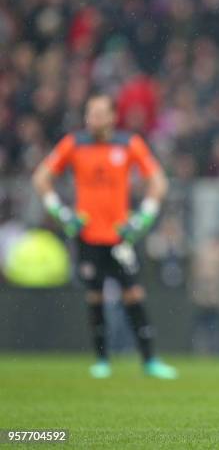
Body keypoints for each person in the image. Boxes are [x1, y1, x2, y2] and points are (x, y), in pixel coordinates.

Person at [32, 94, 177, 380]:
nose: (92, 119)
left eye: (98, 113)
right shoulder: (74, 144)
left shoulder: (128, 144)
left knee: (134, 294)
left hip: (121, 236)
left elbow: (159, 181)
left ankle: (149, 361)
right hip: (87, 236)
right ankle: (102, 361)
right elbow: (41, 177)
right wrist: (61, 213)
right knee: (95, 296)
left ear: (112, 116)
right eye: (89, 113)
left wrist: (143, 216)